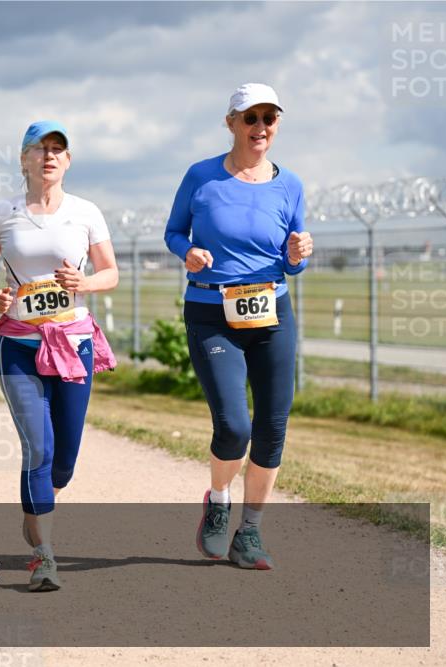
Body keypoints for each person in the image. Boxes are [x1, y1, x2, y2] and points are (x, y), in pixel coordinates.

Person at [163, 84, 313, 570]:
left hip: (272, 312)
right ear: (231, 123)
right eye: (251, 118)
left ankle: (249, 532)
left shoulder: (289, 184)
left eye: (269, 118)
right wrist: (187, 252)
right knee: (234, 426)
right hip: (212, 314)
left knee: (273, 424)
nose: (260, 128)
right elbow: (173, 231)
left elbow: (293, 260)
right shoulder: (201, 177)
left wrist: (296, 257)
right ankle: (218, 499)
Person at [0, 121, 118, 592]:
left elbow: (110, 272)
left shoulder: (86, 213)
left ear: (68, 161)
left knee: (64, 463)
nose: (50, 156)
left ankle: (36, 515)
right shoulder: (2, 213)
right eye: (41, 149)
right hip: (19, 344)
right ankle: (44, 555)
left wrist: (84, 283)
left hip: (73, 342)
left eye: (58, 149)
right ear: (24, 159)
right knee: (39, 446)